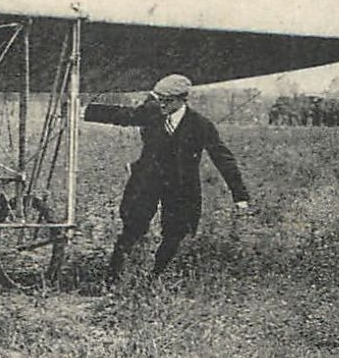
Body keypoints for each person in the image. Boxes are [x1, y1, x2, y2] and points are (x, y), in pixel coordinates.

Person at [85, 74, 249, 286]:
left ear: (182, 99)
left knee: (176, 232)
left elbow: (223, 159)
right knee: (132, 228)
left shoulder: (201, 125)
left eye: (167, 101)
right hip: (146, 183)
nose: (161, 104)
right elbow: (124, 115)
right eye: (158, 99)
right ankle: (112, 279)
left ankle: (155, 277)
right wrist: (86, 111)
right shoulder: (152, 113)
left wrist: (240, 196)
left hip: (181, 188)